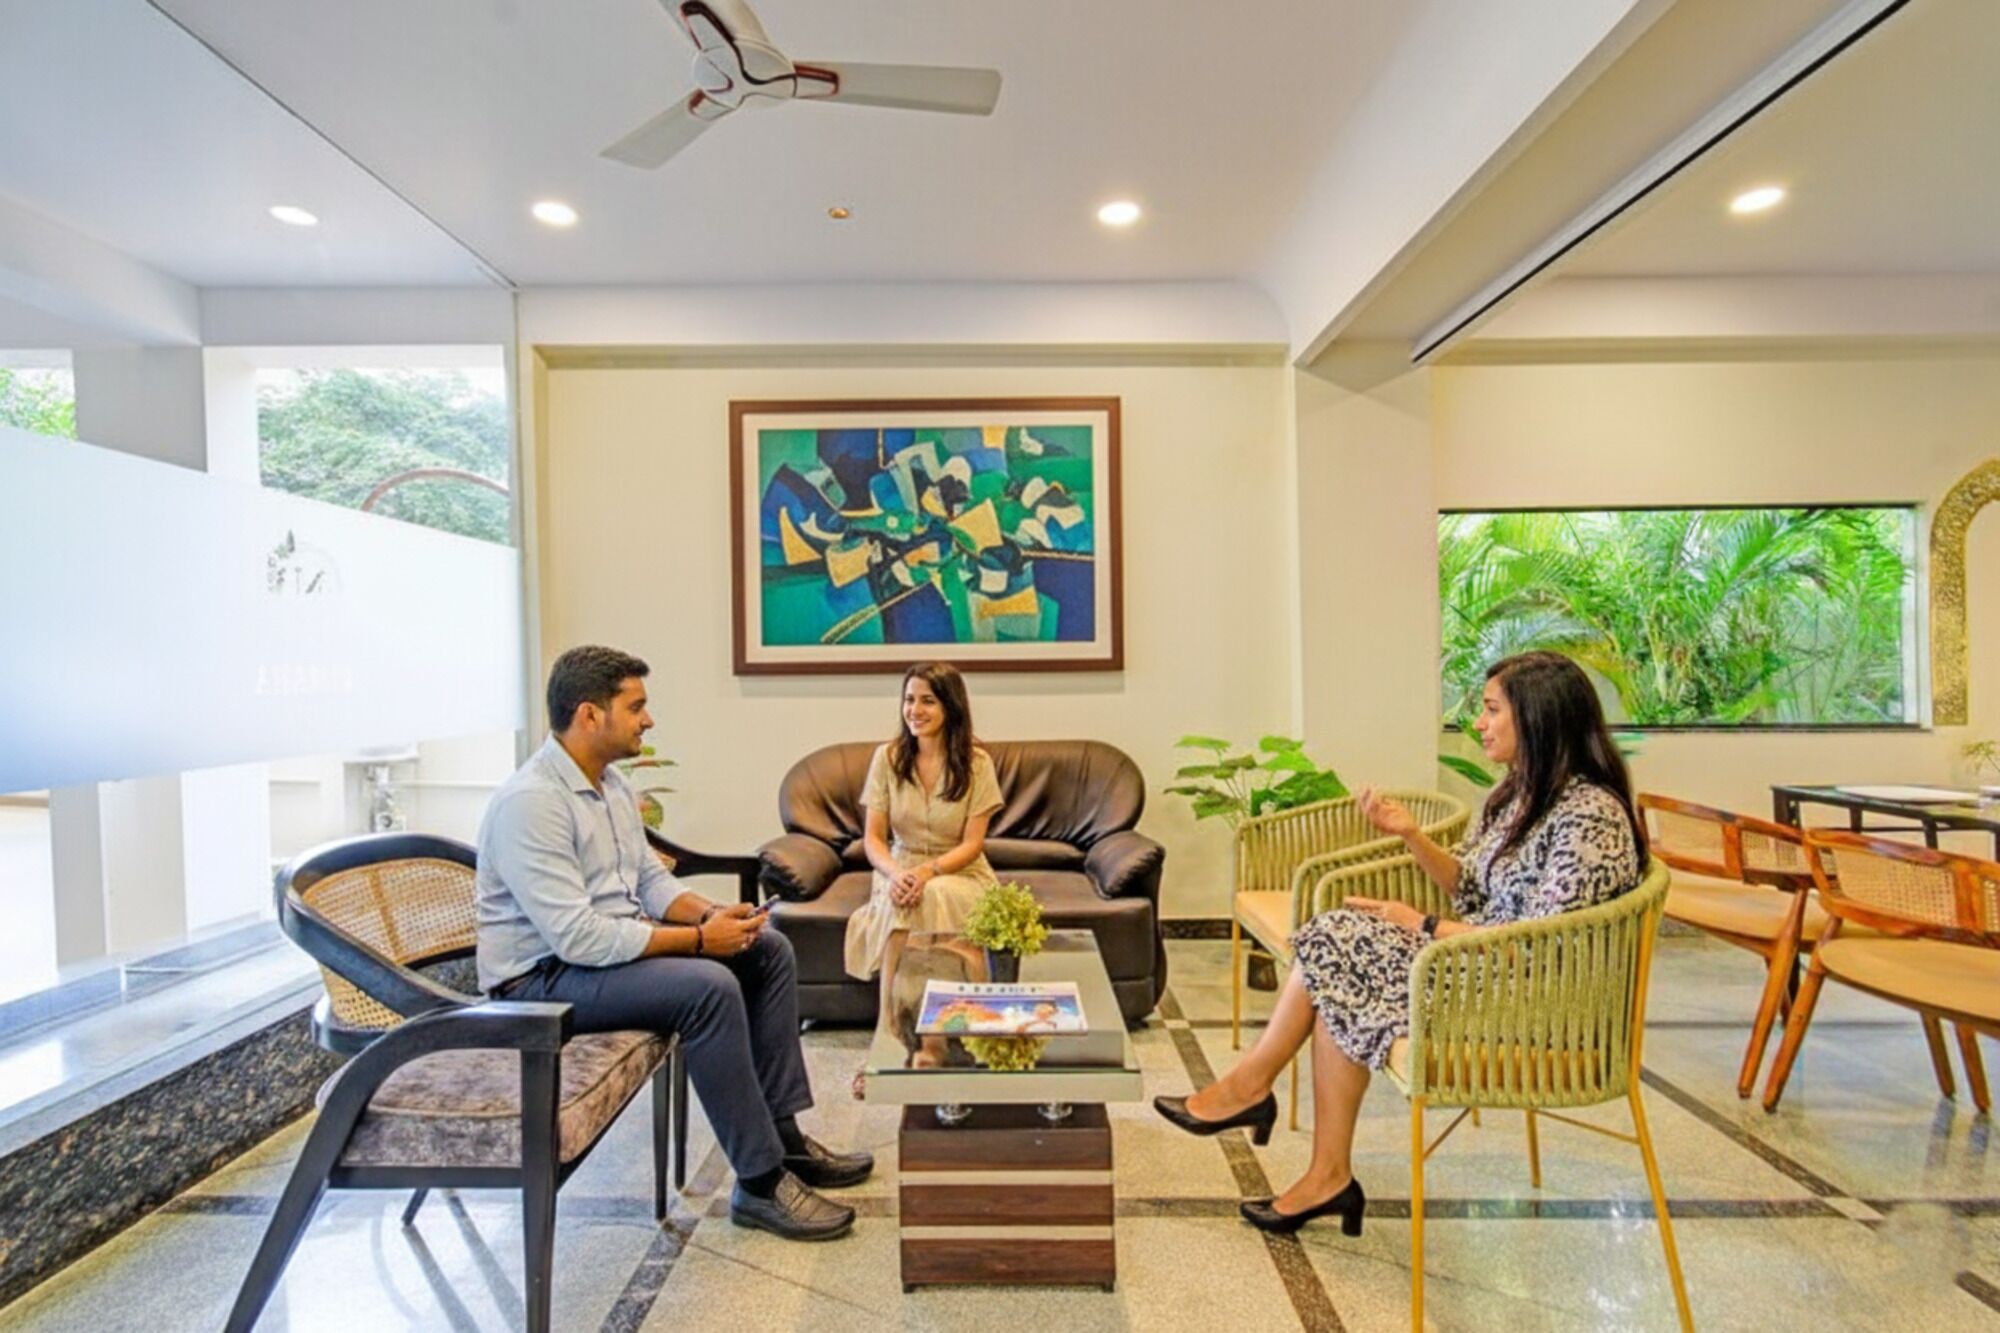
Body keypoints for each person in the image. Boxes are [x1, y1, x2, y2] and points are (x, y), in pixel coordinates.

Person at [1155, 650, 1647, 1234]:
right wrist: (1409, 834)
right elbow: (1469, 886)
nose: (1480, 724)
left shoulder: (1589, 816)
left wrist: (1422, 925)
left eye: (1492, 711)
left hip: (1532, 1003)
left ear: (1538, 718)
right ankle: (1312, 1157)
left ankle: (1260, 1098)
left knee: (1336, 949)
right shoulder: (1521, 795)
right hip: (1477, 968)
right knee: (1335, 945)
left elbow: (1541, 946)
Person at [476, 645, 871, 1242]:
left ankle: (783, 1140)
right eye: (636, 707)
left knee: (766, 952)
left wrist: (716, 917)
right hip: (541, 980)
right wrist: (697, 942)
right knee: (706, 988)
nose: (648, 720)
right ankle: (760, 1185)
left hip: (594, 960)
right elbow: (578, 937)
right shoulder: (533, 804)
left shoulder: (607, 786)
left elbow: (649, 882)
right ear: (590, 715)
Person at [845, 661, 1004, 1094]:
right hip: (899, 869)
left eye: (927, 701)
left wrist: (926, 872)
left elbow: (973, 844)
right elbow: (873, 840)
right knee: (906, 898)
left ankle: (931, 1038)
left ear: (950, 707)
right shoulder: (888, 758)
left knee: (930, 895)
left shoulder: (977, 762)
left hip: (960, 871)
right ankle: (890, 1032)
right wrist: (899, 873)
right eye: (909, 699)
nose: (914, 710)